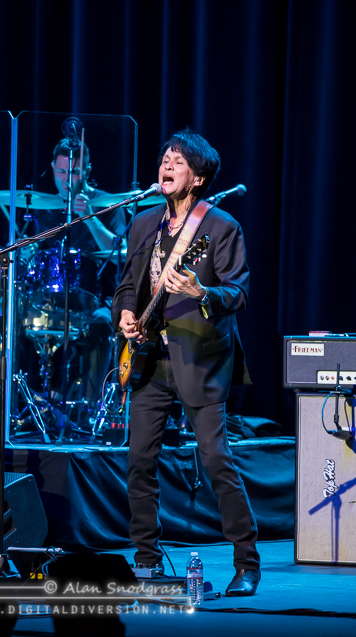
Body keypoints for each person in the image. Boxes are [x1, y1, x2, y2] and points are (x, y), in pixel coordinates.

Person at [111, 128, 261, 596]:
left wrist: (202, 292)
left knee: (216, 459)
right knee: (139, 461)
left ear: (197, 178)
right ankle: (146, 560)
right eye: (165, 159)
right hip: (150, 360)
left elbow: (238, 292)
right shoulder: (143, 224)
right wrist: (125, 315)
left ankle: (247, 562)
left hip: (200, 359)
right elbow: (126, 285)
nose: (167, 166)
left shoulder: (221, 226)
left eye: (178, 162)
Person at [35, 137, 127, 405]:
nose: (66, 180)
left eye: (74, 172)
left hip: (100, 298)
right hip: (55, 301)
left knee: (101, 324)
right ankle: (34, 401)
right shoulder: (44, 208)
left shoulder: (106, 204)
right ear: (53, 168)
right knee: (19, 317)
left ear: (87, 171)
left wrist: (91, 218)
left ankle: (89, 407)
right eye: (61, 172)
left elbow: (121, 253)